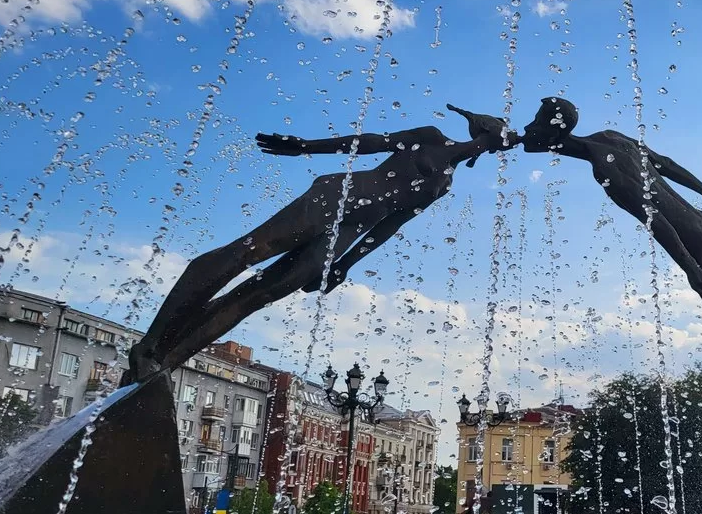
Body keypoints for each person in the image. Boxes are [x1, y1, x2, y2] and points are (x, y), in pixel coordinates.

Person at [515, 97, 702, 501]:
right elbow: (665, 162)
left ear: (553, 133)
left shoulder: (605, 169)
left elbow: (657, 221)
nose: (529, 130)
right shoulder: (611, 137)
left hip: (696, 248)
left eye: (536, 124)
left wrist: (694, 274)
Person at [123, 104, 517, 385]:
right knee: (247, 252)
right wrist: (307, 147)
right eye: (491, 137)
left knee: (262, 293)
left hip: (348, 232)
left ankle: (166, 362)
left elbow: (389, 226)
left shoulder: (443, 185)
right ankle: (150, 343)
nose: (491, 147)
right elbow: (372, 142)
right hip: (340, 195)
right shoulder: (430, 138)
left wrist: (345, 265)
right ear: (480, 129)